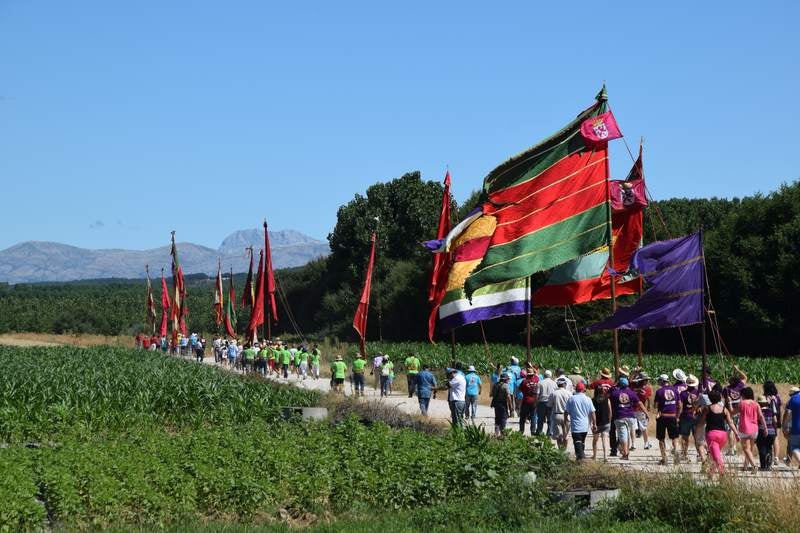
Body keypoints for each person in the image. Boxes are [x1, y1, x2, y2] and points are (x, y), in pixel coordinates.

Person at [700, 389, 738, 476]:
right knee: (715, 454)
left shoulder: (707, 408)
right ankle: (710, 473)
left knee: (716, 456)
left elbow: (702, 422)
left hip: (712, 435)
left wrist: (698, 429)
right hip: (722, 436)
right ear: (719, 398)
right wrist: (736, 433)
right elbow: (730, 423)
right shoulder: (724, 409)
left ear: (709, 398)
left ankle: (722, 472)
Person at [610, 377, 644, 461]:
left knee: (622, 435)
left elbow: (609, 402)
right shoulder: (632, 393)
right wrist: (646, 413)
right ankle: (627, 451)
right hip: (630, 416)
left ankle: (625, 453)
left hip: (619, 416)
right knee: (627, 434)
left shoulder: (614, 393)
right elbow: (639, 403)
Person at [737, 387, 766, 472]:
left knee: (746, 448)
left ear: (743, 395)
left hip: (744, 428)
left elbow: (733, 412)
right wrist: (765, 428)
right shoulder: (756, 404)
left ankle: (754, 466)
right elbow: (761, 416)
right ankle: (745, 466)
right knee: (750, 449)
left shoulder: (742, 403)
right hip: (754, 429)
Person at [565, 382, 596, 461]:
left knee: (577, 442)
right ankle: (580, 457)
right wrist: (594, 423)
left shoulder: (572, 399)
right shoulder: (588, 399)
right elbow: (592, 412)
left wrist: (565, 419)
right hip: (585, 426)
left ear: (576, 389)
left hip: (575, 425)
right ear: (583, 390)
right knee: (582, 442)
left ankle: (581, 457)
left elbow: (566, 411)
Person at [654, 374, 680, 465]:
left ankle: (664, 458)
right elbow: (680, 405)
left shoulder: (659, 391)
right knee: (675, 437)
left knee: (661, 438)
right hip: (672, 416)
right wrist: (677, 416)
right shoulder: (675, 390)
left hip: (662, 416)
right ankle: (676, 450)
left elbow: (656, 405)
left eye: (659, 381)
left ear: (662, 381)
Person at [677, 374, 703, 462]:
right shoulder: (698, 393)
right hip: (696, 417)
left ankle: (684, 454)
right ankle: (700, 455)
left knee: (685, 437)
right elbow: (701, 406)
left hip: (685, 416)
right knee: (697, 437)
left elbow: (680, 406)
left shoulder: (682, 393)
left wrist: (677, 417)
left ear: (687, 384)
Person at [549, 377, 573, 450]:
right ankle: (564, 450)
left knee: (558, 436)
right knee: (566, 435)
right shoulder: (569, 393)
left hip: (557, 415)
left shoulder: (553, 393)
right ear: (565, 384)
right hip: (567, 416)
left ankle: (560, 450)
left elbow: (549, 405)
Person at [756, 395, 778, 470]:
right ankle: (768, 464)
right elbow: (775, 421)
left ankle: (763, 466)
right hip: (771, 431)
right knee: (769, 447)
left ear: (759, 403)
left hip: (761, 431)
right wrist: (774, 430)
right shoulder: (771, 411)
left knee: (761, 447)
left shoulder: (758, 411)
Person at [631, 374, 652, 451]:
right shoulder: (648, 389)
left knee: (633, 427)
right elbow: (648, 398)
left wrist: (634, 372)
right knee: (644, 427)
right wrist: (648, 407)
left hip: (632, 409)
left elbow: (630, 381)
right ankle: (646, 443)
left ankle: (633, 444)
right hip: (641, 410)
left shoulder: (633, 387)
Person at [763, 381, 782, 466]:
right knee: (776, 438)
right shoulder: (777, 397)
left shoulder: (765, 397)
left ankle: (768, 456)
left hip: (767, 419)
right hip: (777, 418)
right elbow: (779, 409)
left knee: (768, 438)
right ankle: (776, 458)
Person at [592, 382, 612, 461]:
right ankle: (605, 456)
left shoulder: (593, 400)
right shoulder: (607, 399)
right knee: (605, 439)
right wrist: (609, 420)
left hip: (596, 423)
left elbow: (591, 412)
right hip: (605, 422)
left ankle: (595, 456)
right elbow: (610, 411)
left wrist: (592, 423)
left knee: (595, 440)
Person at [783, 386, 800, 466]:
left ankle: (789, 461)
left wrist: (785, 426)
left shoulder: (792, 400)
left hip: (796, 427)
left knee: (794, 447)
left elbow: (788, 414)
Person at [536, 370, 557, 436]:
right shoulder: (554, 383)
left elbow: (537, 394)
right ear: (550, 376)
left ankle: (539, 431)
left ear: (544, 375)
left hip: (542, 402)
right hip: (551, 403)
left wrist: (536, 403)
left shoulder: (540, 383)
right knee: (550, 419)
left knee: (540, 419)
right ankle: (549, 432)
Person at [518, 370, 539, 435]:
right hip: (534, 401)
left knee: (523, 417)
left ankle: (521, 431)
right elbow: (537, 376)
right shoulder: (536, 380)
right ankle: (533, 431)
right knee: (533, 417)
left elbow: (520, 389)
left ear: (527, 375)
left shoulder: (524, 381)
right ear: (533, 375)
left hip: (526, 401)